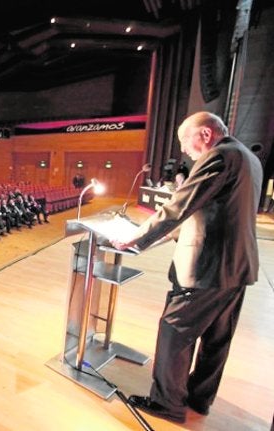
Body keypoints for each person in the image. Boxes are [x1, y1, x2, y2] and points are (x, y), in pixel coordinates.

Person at [112, 112, 263, 423]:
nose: (184, 150)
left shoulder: (219, 156)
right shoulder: (250, 159)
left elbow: (179, 205)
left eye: (185, 140)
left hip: (209, 268)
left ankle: (167, 404)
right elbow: (219, 211)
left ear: (205, 135)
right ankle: (199, 399)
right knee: (216, 340)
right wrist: (169, 234)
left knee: (174, 331)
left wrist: (136, 237)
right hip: (238, 267)